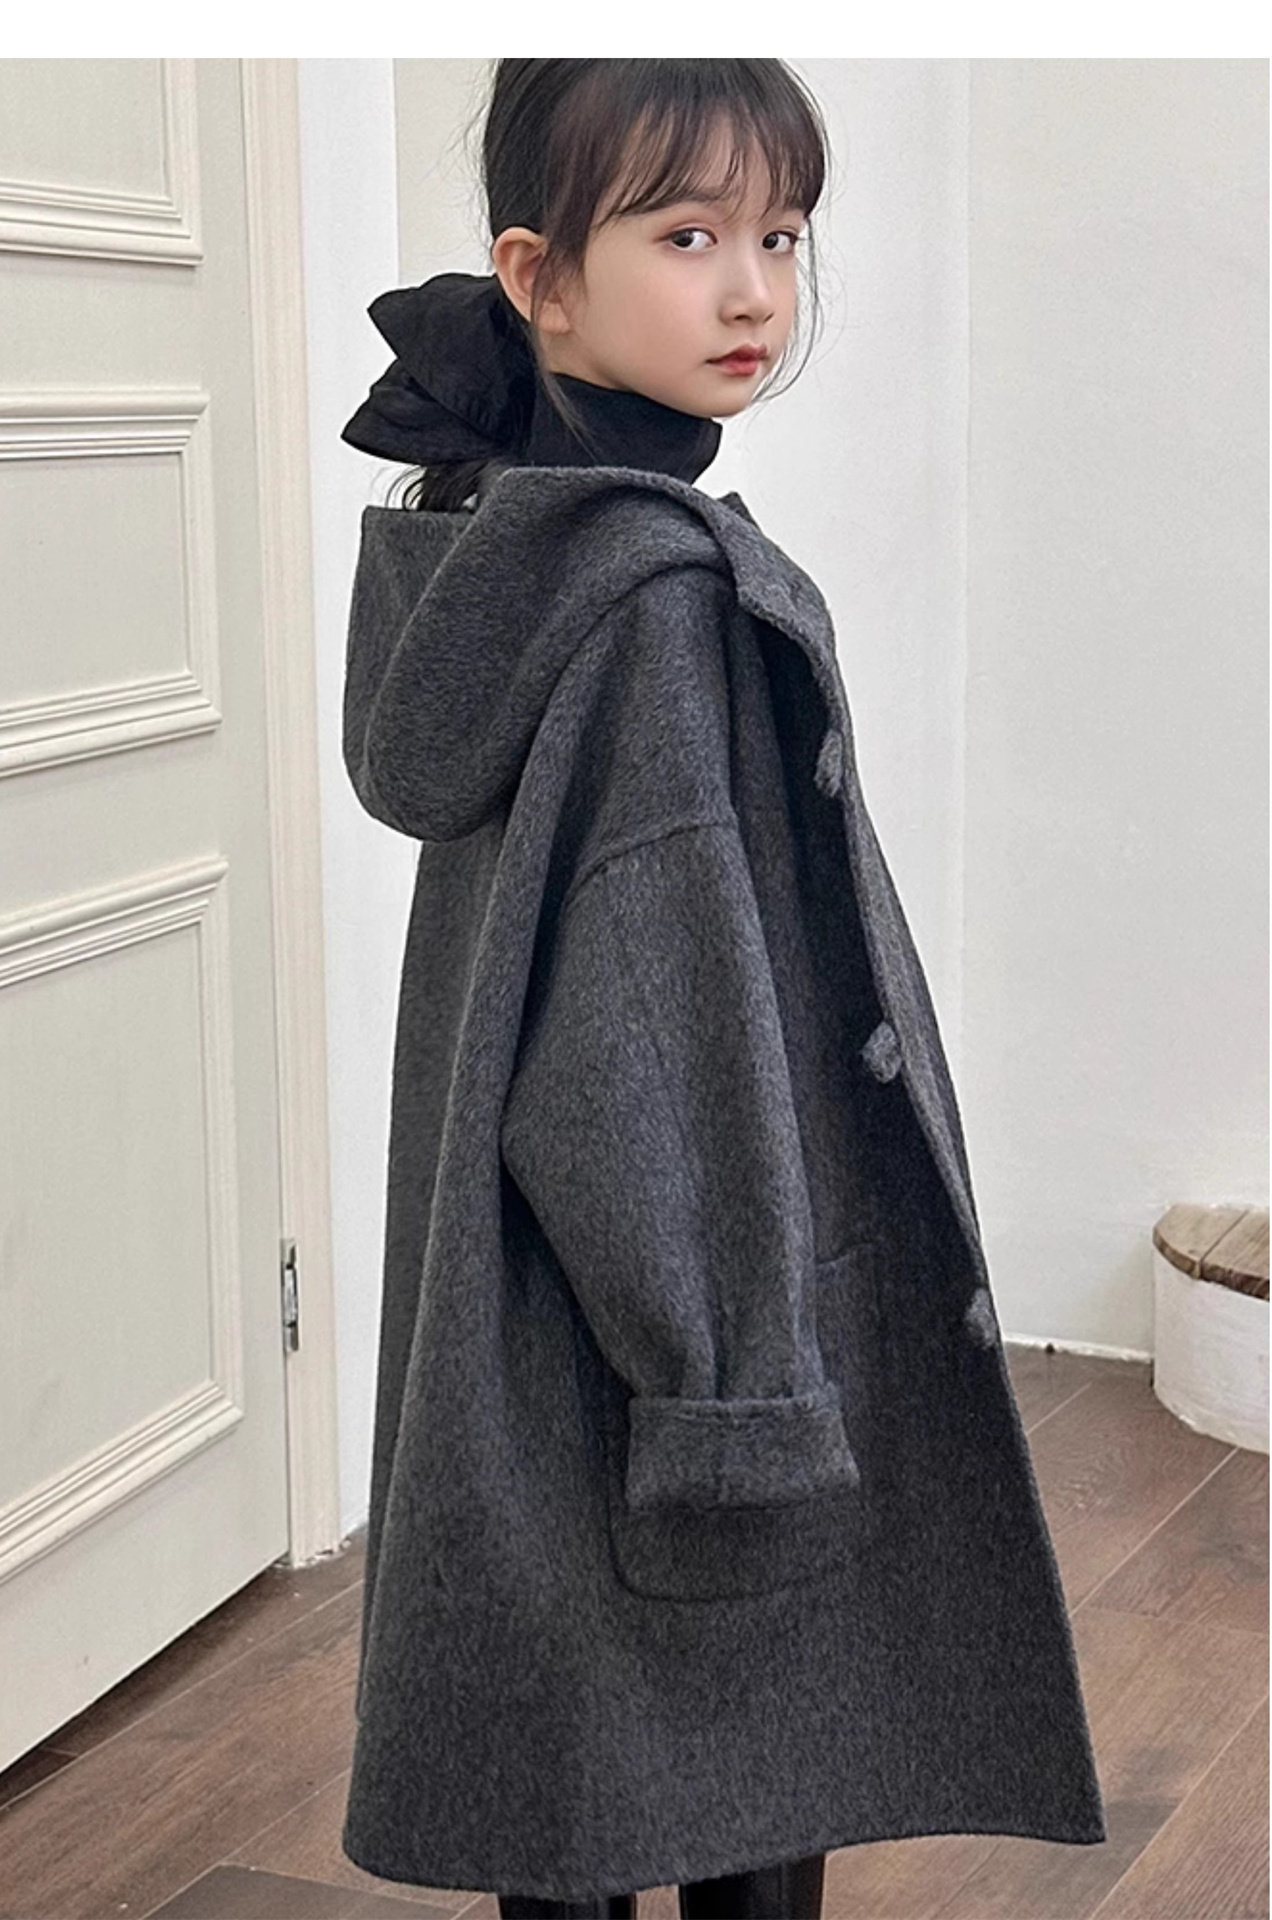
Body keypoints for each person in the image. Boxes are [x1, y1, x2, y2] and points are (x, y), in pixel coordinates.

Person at [337, 59, 1106, 1920]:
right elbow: (652, 1041)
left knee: (574, 1787)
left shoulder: (497, 550)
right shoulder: (659, 605)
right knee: (747, 1751)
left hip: (534, 1311)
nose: (756, 289)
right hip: (695, 1313)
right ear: (538, 279)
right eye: (688, 237)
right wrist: (741, 1389)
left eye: (780, 234)